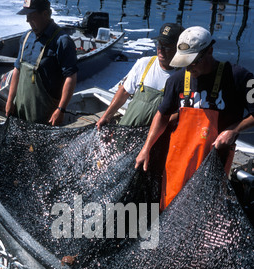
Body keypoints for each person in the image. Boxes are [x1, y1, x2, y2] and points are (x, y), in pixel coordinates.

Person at [135, 26, 254, 211]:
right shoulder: (177, 80)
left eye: (193, 62)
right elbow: (162, 114)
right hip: (178, 162)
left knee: (205, 210)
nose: (189, 67)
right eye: (185, 63)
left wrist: (234, 129)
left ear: (210, 51)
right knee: (170, 209)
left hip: (214, 163)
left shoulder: (239, 77)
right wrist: (146, 149)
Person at [96, 23, 184, 129]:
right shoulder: (144, 63)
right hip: (126, 128)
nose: (161, 49)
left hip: (155, 136)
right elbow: (124, 91)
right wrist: (106, 116)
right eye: (159, 44)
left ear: (178, 48)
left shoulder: (183, 76)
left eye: (166, 46)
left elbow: (181, 112)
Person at [6, 0, 78, 125]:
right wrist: (10, 100)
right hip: (20, 111)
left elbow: (71, 77)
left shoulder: (62, 41)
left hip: (45, 115)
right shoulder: (26, 37)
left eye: (31, 16)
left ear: (45, 14)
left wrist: (61, 110)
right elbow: (17, 70)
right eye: (26, 16)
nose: (27, 20)